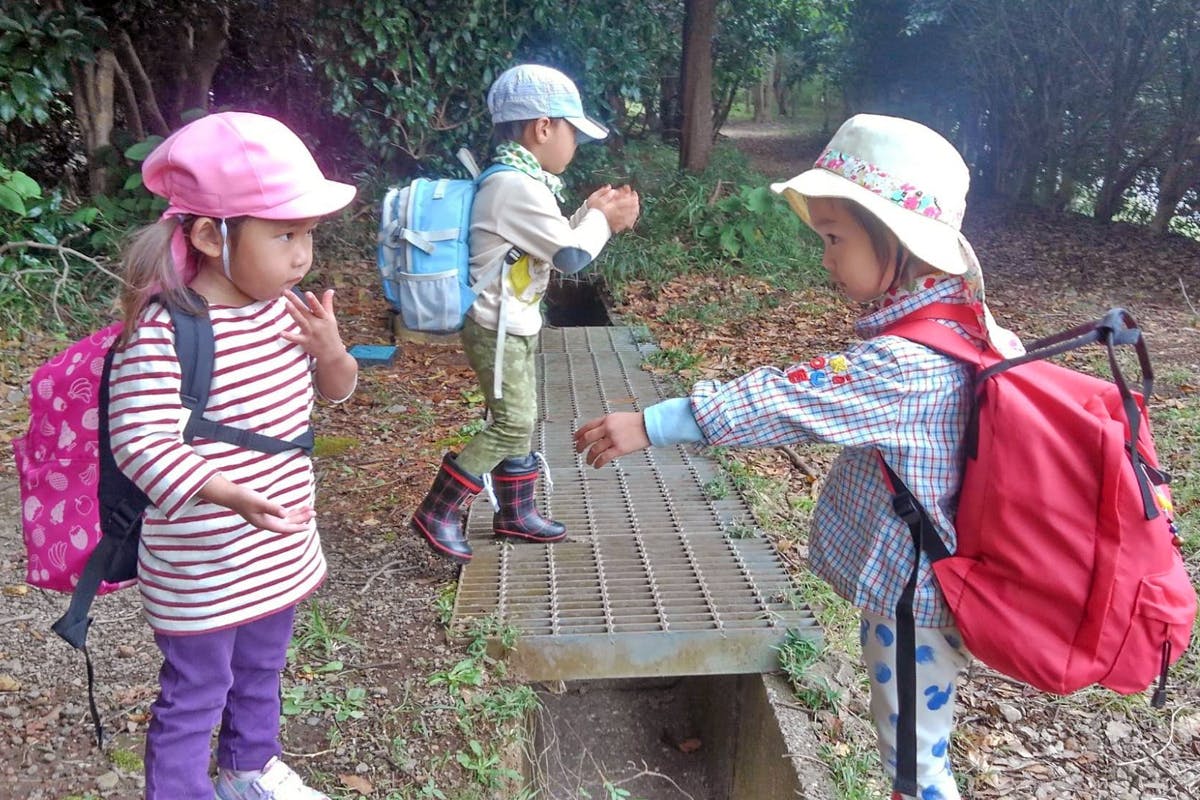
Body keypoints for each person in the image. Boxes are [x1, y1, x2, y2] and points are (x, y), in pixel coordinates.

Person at [574, 114, 1025, 800]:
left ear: (897, 237)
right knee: (913, 754)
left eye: (834, 239)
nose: (825, 258)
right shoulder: (971, 326)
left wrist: (654, 423)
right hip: (946, 580)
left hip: (919, 600)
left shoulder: (905, 366)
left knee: (917, 769)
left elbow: (788, 398)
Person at [109, 111, 358, 800]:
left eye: (307, 234)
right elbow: (139, 441)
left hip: (276, 549)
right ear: (208, 236)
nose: (302, 255)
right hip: (202, 562)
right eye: (284, 235)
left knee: (261, 670)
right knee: (196, 690)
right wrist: (223, 491)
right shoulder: (167, 330)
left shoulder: (285, 310)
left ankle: (249, 770)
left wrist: (332, 352)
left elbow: (336, 393)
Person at [411, 63, 641, 563]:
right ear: (543, 127)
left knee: (519, 415)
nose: (576, 145)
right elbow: (572, 256)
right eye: (573, 133)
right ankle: (438, 510)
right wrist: (604, 220)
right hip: (496, 326)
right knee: (513, 423)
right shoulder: (514, 186)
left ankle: (516, 512)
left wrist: (591, 214)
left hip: (509, 324)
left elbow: (554, 245)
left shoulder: (524, 181)